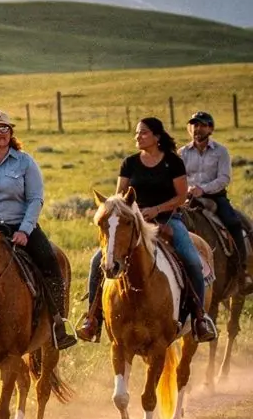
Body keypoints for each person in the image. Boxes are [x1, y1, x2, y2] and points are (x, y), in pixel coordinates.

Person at [77, 117, 217, 343]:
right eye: (136, 133)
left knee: (192, 259)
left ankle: (200, 318)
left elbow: (181, 196)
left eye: (143, 132)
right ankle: (93, 319)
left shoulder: (173, 162)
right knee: (97, 261)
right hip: (134, 223)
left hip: (169, 220)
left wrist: (156, 209)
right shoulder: (130, 163)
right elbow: (119, 197)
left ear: (157, 136)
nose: (138, 136)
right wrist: (127, 212)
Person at [0, 110, 77, 350]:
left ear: (11, 133)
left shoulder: (25, 162)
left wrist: (25, 230)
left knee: (50, 262)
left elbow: (35, 199)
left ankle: (58, 324)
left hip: (19, 227)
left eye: (4, 128)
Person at [179, 110, 252, 292]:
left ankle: (241, 270)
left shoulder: (221, 152)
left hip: (215, 197)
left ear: (210, 129)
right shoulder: (182, 153)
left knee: (234, 223)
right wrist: (188, 190)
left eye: (202, 125)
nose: (197, 129)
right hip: (188, 198)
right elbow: (178, 178)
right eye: (194, 125)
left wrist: (202, 189)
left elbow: (224, 178)